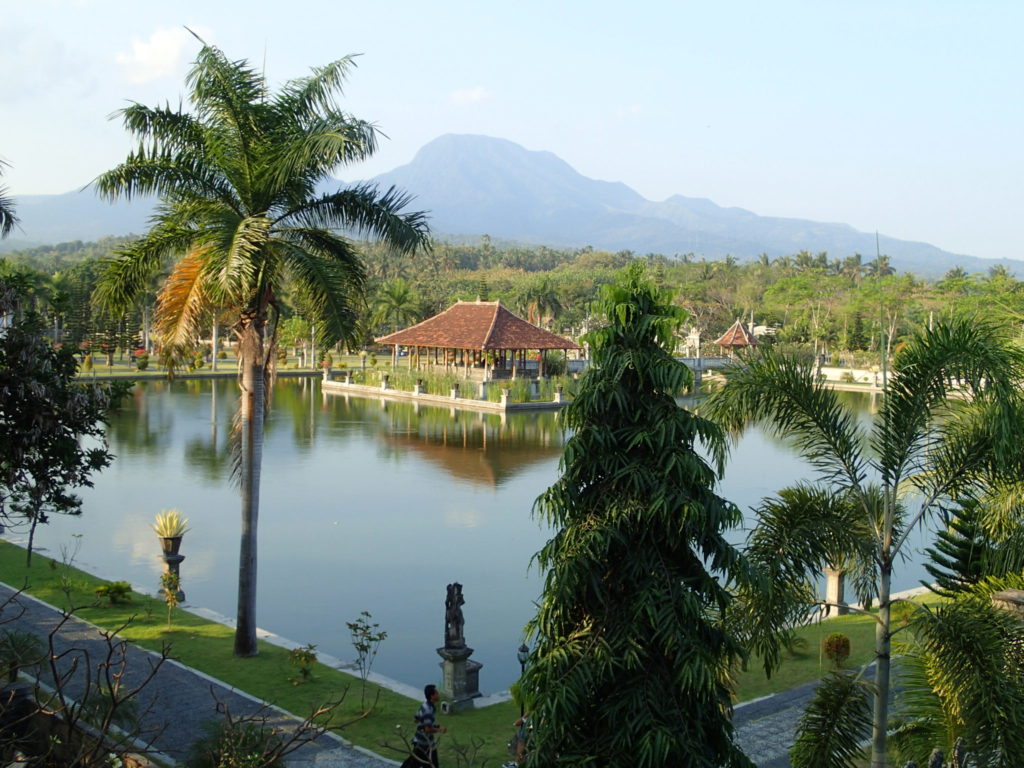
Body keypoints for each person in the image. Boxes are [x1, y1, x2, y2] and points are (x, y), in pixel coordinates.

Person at [401, 684, 446, 768]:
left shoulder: (425, 705)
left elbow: (417, 718)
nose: (439, 694)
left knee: (414, 763)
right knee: (425, 764)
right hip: (424, 743)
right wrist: (439, 729)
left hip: (422, 741)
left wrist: (429, 724)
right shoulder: (429, 710)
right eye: (437, 693)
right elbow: (427, 729)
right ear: (432, 696)